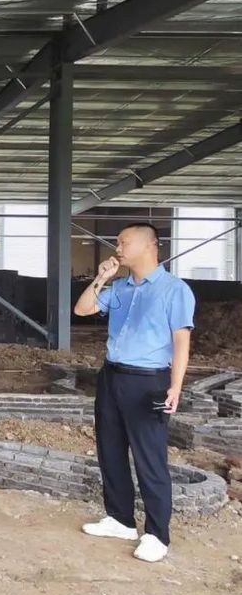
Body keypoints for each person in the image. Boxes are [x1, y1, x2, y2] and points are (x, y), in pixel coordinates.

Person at [74, 223, 195, 564]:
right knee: (110, 450)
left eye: (123, 242)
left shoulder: (174, 290)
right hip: (111, 376)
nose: (118, 248)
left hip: (148, 381)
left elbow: (181, 342)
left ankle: (157, 534)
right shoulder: (120, 287)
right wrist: (102, 278)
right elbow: (82, 309)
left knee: (149, 458)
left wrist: (175, 386)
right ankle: (120, 519)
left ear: (149, 245)